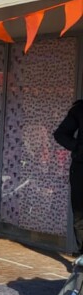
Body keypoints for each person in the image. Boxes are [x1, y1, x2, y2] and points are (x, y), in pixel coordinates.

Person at [55, 100, 83, 256]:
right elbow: (60, 134)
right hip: (81, 168)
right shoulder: (80, 109)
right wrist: (78, 148)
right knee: (80, 213)